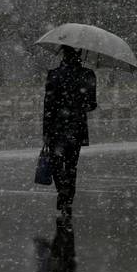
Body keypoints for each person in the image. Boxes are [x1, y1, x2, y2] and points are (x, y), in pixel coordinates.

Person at [43, 45, 97, 218]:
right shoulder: (88, 75)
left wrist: (46, 131)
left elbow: (48, 105)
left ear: (63, 54)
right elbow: (91, 104)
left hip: (57, 127)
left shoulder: (53, 75)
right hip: (77, 126)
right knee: (71, 165)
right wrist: (79, 104)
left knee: (57, 164)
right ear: (80, 55)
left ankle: (62, 192)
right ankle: (68, 198)